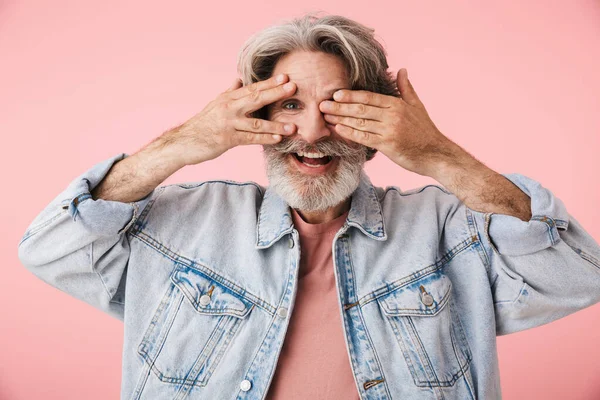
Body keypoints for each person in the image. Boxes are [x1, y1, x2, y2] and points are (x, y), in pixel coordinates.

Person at [18, 12, 600, 400]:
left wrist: (439, 154)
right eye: (290, 105)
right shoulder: (183, 225)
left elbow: (575, 277)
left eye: (340, 106)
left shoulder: (449, 231)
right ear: (258, 115)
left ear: (380, 123)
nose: (313, 131)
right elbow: (49, 248)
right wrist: (183, 143)